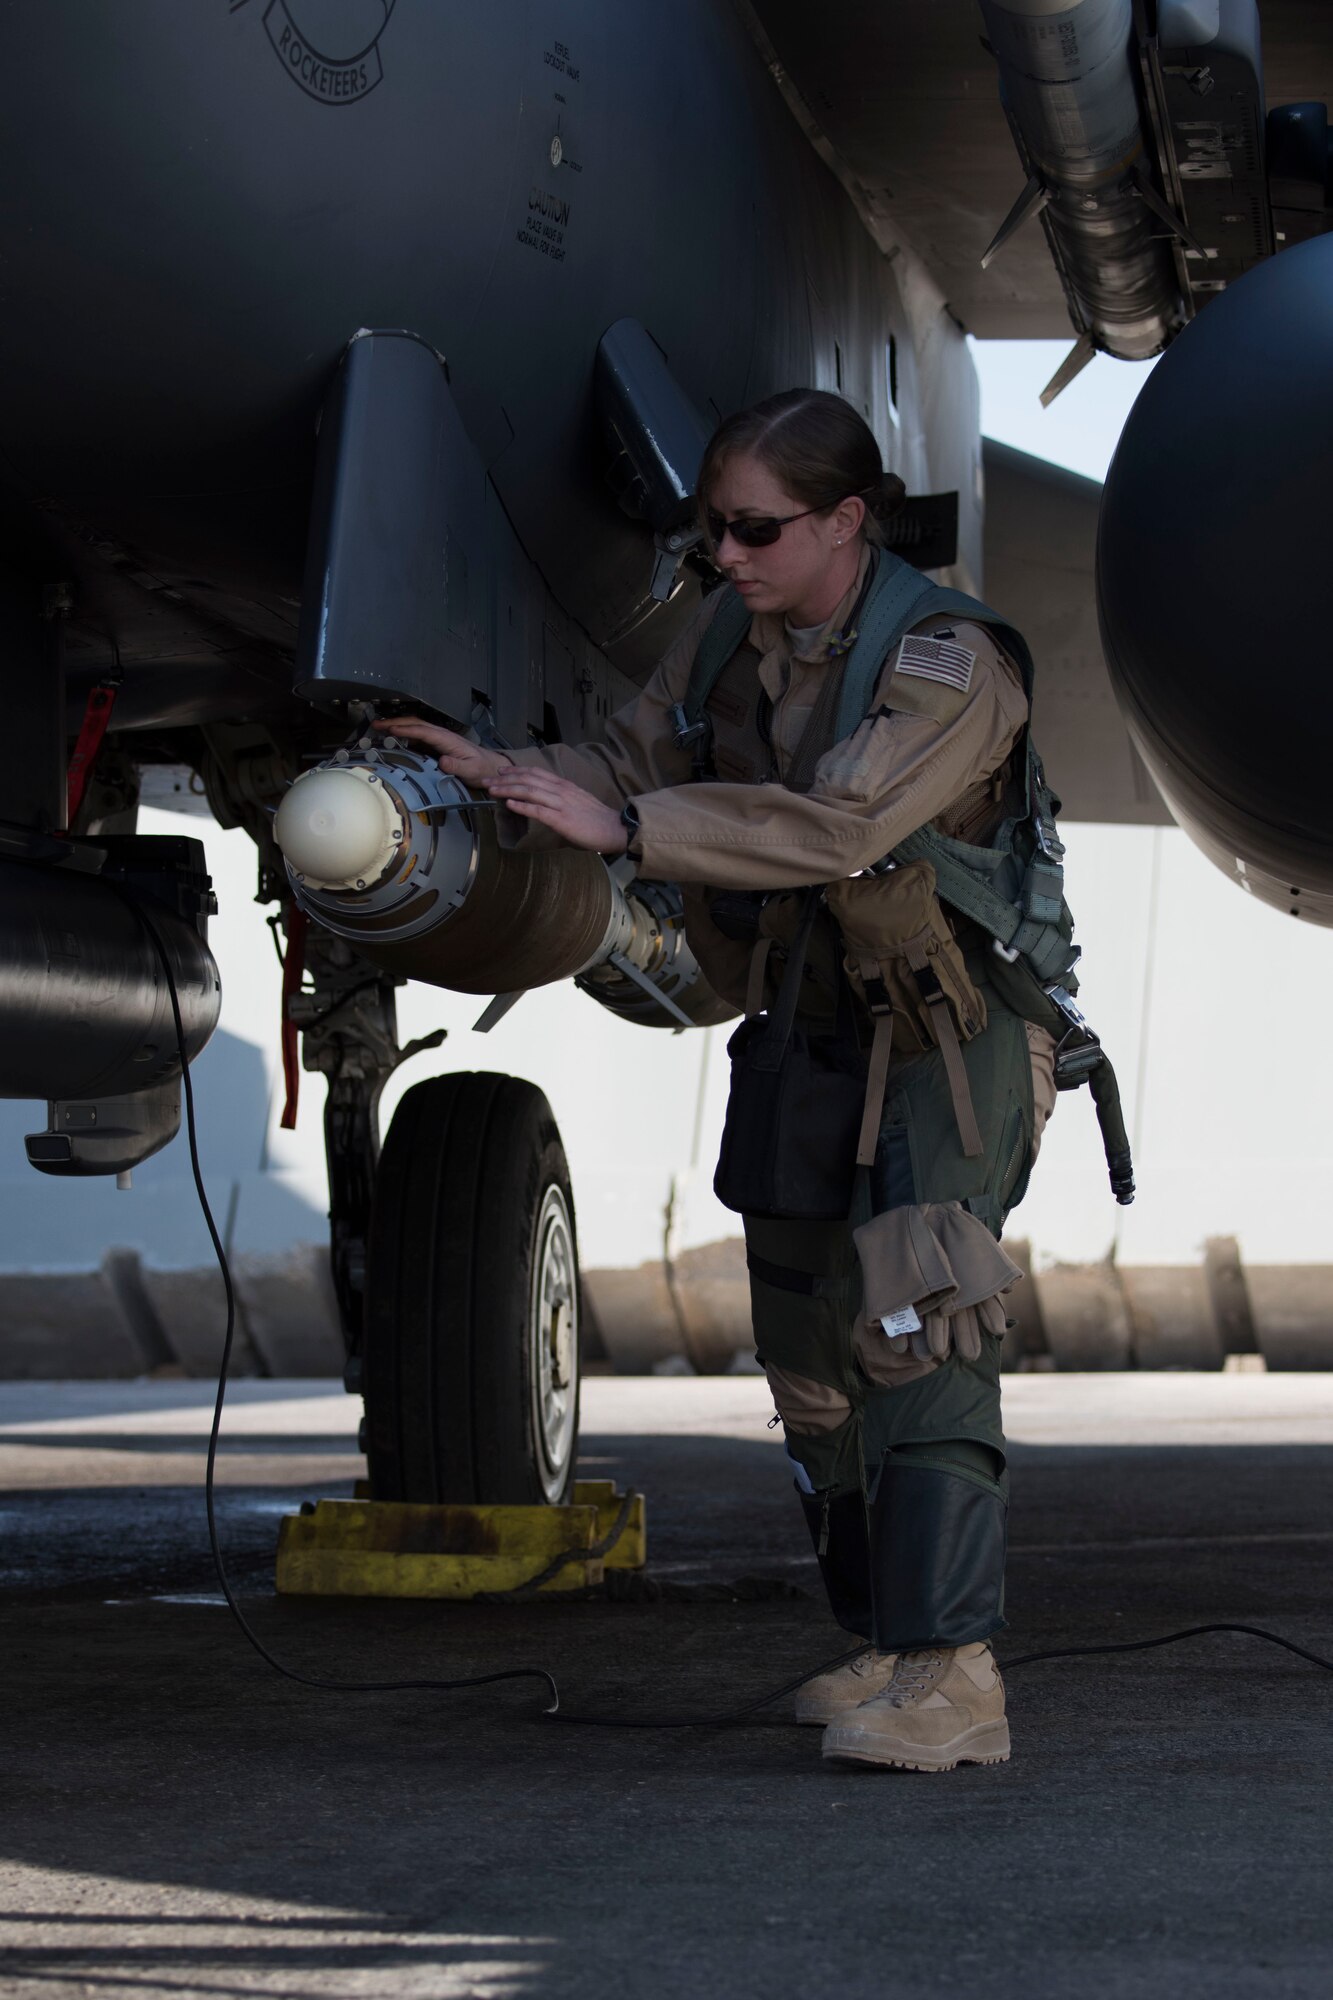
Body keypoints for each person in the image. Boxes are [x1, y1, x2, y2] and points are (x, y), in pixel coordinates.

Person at [382, 388, 1061, 1771]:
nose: (727, 556)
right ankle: (883, 1639)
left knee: (918, 1314)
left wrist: (627, 827)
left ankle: (955, 1675)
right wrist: (505, 777)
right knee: (810, 1355)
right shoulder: (727, 641)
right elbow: (625, 761)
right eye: (711, 533)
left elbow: (843, 822)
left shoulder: (947, 659)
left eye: (755, 530)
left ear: (845, 522)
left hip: (946, 1035)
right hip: (807, 1025)